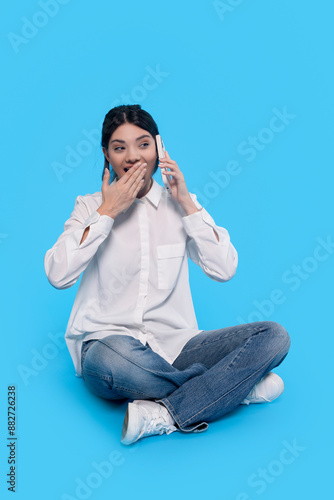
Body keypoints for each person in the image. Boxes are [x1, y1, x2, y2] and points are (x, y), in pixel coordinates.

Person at [44, 104, 291, 446]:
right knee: (110, 362)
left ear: (159, 149)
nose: (132, 157)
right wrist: (107, 212)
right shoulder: (89, 206)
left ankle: (165, 413)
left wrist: (188, 204)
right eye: (119, 148)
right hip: (111, 346)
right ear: (106, 155)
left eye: (143, 144)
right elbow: (57, 274)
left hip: (176, 346)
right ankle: (234, 388)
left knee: (273, 335)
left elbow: (225, 268)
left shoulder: (181, 205)